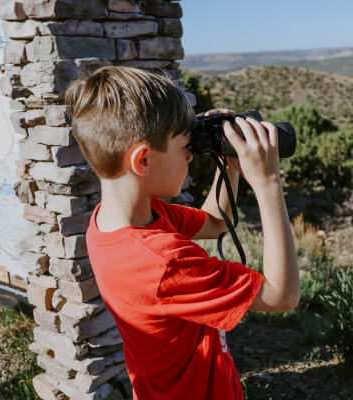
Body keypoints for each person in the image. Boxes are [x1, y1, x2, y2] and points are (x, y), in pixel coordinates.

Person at [65, 66, 300, 400]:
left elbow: (215, 221)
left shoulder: (117, 221)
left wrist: (227, 162)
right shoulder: (162, 262)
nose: (190, 156)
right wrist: (268, 182)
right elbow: (282, 295)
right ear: (143, 161)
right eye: (184, 148)